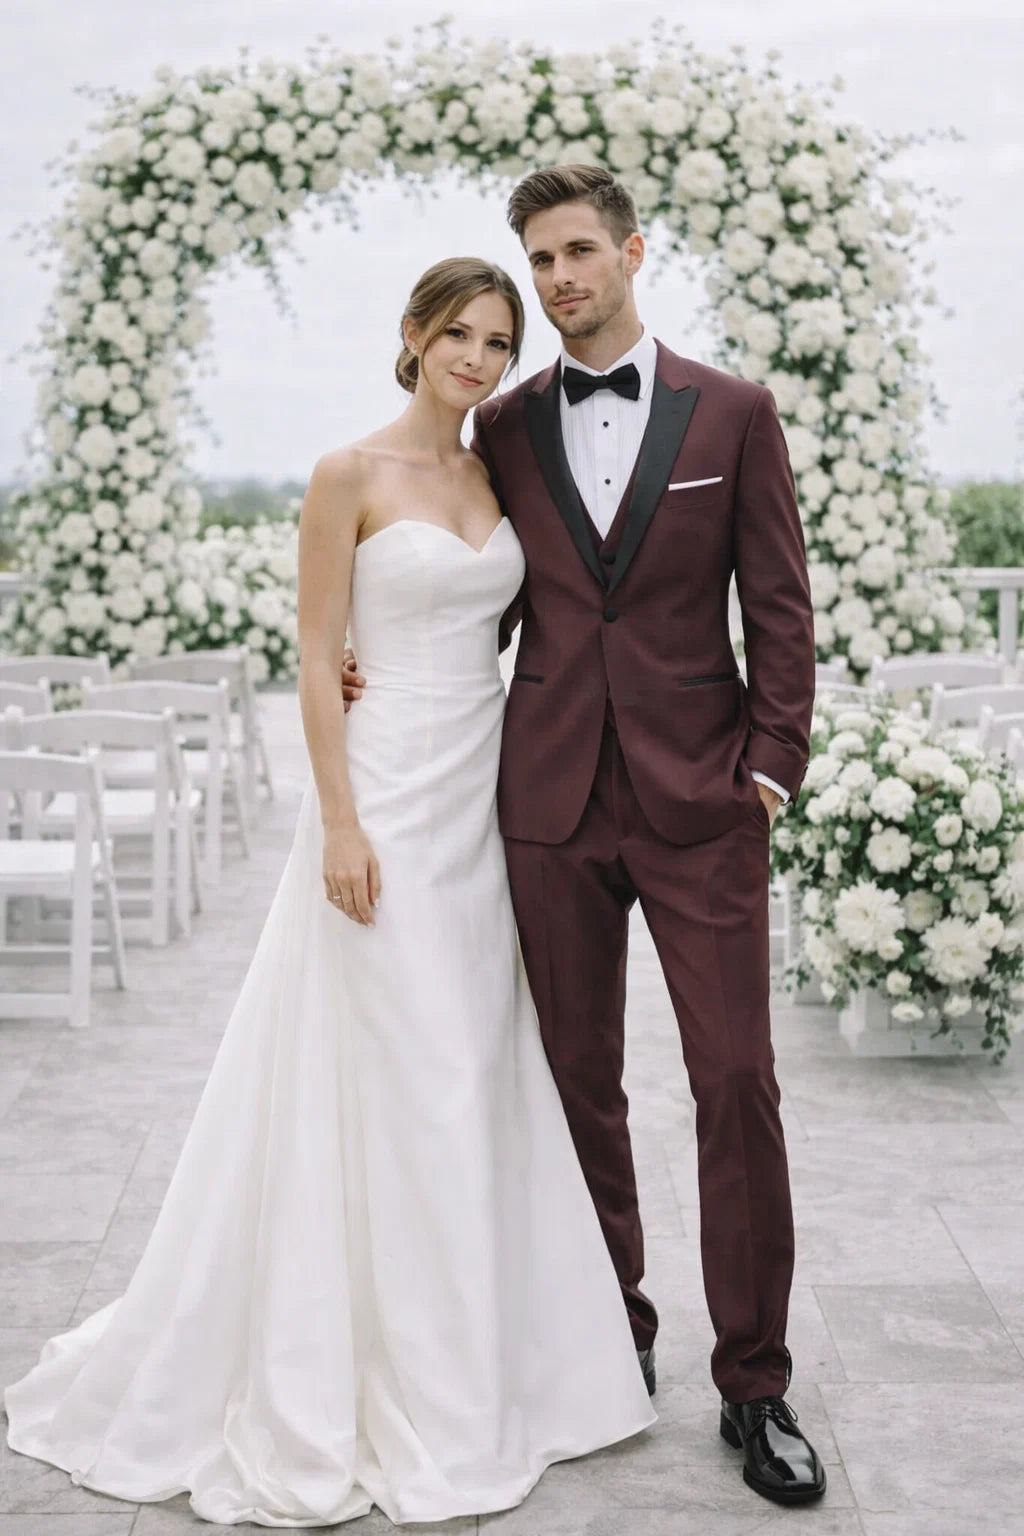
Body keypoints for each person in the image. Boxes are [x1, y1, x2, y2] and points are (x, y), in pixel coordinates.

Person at [3, 256, 656, 1527]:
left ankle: (485, 1359)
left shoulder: (497, 471)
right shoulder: (345, 475)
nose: (476, 356)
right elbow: (314, 659)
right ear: (408, 337)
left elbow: (542, 617)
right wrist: (339, 823)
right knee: (392, 1068)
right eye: (456, 333)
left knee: (475, 1065)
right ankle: (367, 1364)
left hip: (487, 797)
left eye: (496, 338)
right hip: (388, 797)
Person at [346, 165, 826, 1506]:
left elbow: (780, 609)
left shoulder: (732, 412)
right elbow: (464, 579)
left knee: (737, 1082)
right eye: (536, 260)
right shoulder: (499, 426)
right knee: (575, 1089)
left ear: (628, 251)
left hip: (702, 808)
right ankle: (611, 1336)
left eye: (573, 254)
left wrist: (770, 773)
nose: (554, 280)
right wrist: (358, 659)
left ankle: (758, 1383)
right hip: (545, 805)